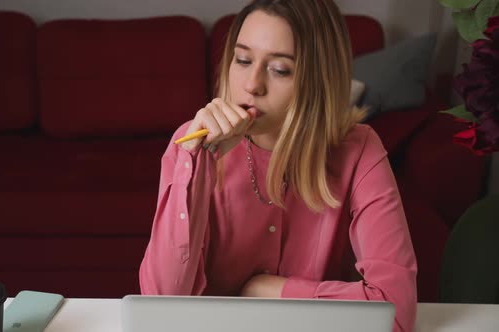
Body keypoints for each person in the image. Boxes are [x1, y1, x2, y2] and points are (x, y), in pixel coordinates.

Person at [139, 0, 417, 331]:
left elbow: (396, 312)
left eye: (279, 69)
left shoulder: (360, 149)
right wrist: (199, 164)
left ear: (319, 80)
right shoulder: (191, 145)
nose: (252, 84)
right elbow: (160, 307)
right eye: (242, 60)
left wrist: (271, 290)